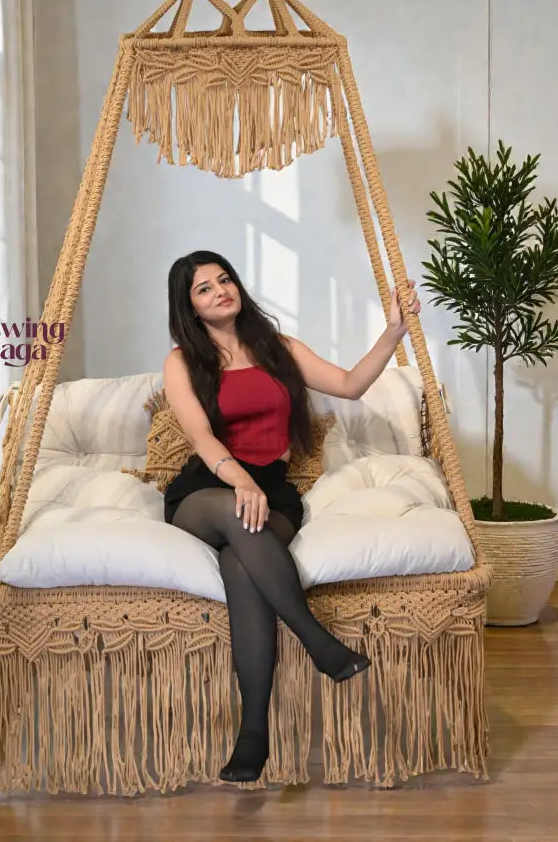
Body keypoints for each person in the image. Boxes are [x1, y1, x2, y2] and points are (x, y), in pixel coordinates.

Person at [162, 249, 421, 783]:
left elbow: (350, 384)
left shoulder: (279, 349)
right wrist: (238, 479)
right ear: (189, 306)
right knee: (235, 519)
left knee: (242, 561)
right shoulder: (182, 361)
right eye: (203, 288)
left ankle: (252, 733)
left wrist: (394, 332)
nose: (219, 291)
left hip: (271, 492)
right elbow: (201, 436)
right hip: (209, 489)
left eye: (224, 279)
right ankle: (315, 638)